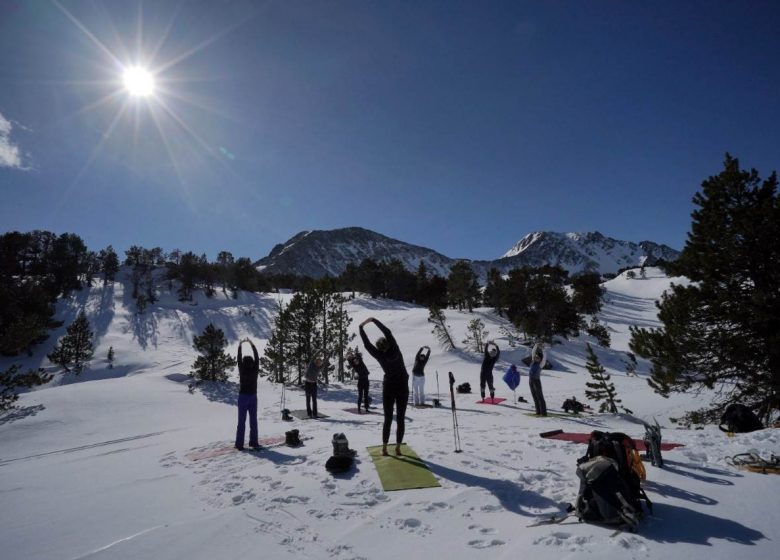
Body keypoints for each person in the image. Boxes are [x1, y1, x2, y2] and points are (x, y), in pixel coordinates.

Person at [359, 317, 409, 456]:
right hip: (403, 386)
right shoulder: (396, 349)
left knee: (388, 418)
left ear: (379, 348)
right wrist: (373, 321)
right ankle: (398, 447)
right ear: (388, 343)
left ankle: (385, 448)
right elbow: (387, 331)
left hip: (389, 387)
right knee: (400, 418)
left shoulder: (379, 355)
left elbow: (367, 345)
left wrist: (361, 328)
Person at [235, 338, 260, 450]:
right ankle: (253, 442)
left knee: (241, 421)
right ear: (253, 363)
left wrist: (240, 345)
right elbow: (257, 357)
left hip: (243, 397)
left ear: (244, 363)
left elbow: (238, 358)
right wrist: (252, 344)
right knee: (253, 420)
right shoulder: (255, 369)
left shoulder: (242, 369)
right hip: (253, 397)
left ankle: (239, 445)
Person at [528, 342, 548, 416]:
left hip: (536, 381)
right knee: (534, 396)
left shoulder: (541, 364)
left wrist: (543, 349)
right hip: (530, 381)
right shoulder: (533, 362)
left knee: (540, 397)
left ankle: (543, 412)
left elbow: (545, 357)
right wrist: (536, 345)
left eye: (537, 357)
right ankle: (538, 411)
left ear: (540, 359)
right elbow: (533, 352)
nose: (536, 357)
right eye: (535, 357)